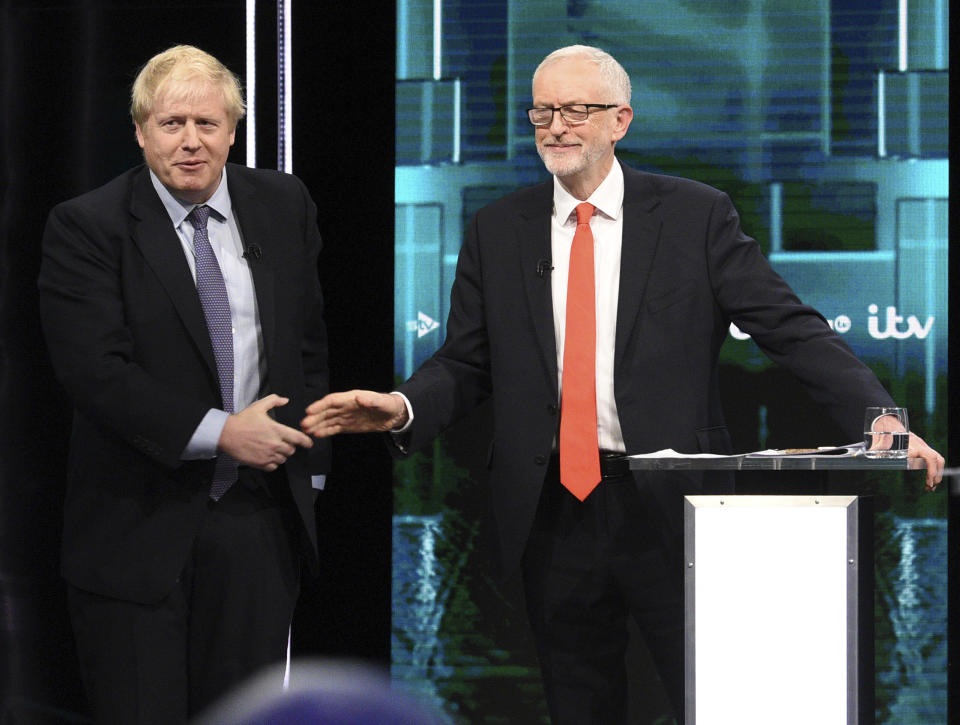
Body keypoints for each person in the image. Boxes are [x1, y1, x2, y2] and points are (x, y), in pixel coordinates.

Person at [301, 45, 945, 723]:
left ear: (621, 120)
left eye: (577, 109)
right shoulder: (498, 229)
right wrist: (402, 406)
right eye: (543, 110)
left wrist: (877, 411)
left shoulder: (696, 216)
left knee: (713, 701)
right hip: (552, 513)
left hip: (671, 507)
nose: (556, 125)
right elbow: (466, 361)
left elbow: (790, 326)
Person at [38, 45, 329, 723]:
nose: (191, 141)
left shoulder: (285, 205)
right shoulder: (88, 225)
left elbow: (307, 344)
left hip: (258, 526)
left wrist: (306, 476)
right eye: (172, 124)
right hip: (136, 527)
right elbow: (93, 371)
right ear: (140, 131)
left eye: (207, 122)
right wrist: (226, 433)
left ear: (233, 129)